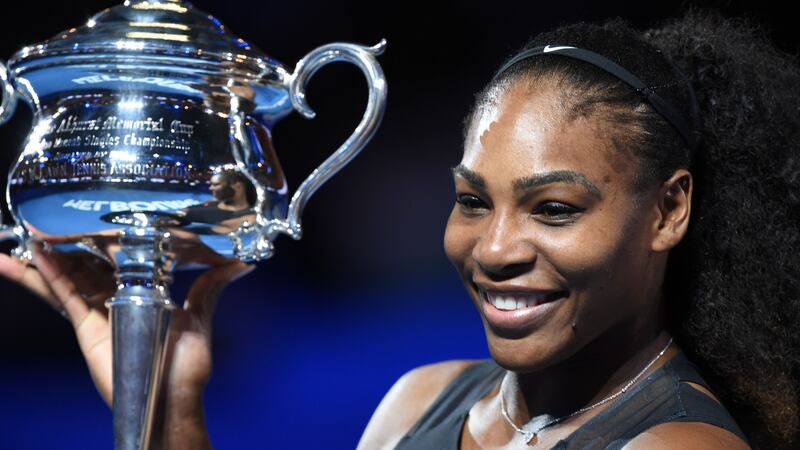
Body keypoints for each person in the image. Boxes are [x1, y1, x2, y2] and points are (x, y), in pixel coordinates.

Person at [0, 7, 798, 449]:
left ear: (669, 210)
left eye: (555, 208)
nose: (493, 250)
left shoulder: (676, 449)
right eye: (474, 200)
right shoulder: (420, 401)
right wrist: (171, 409)